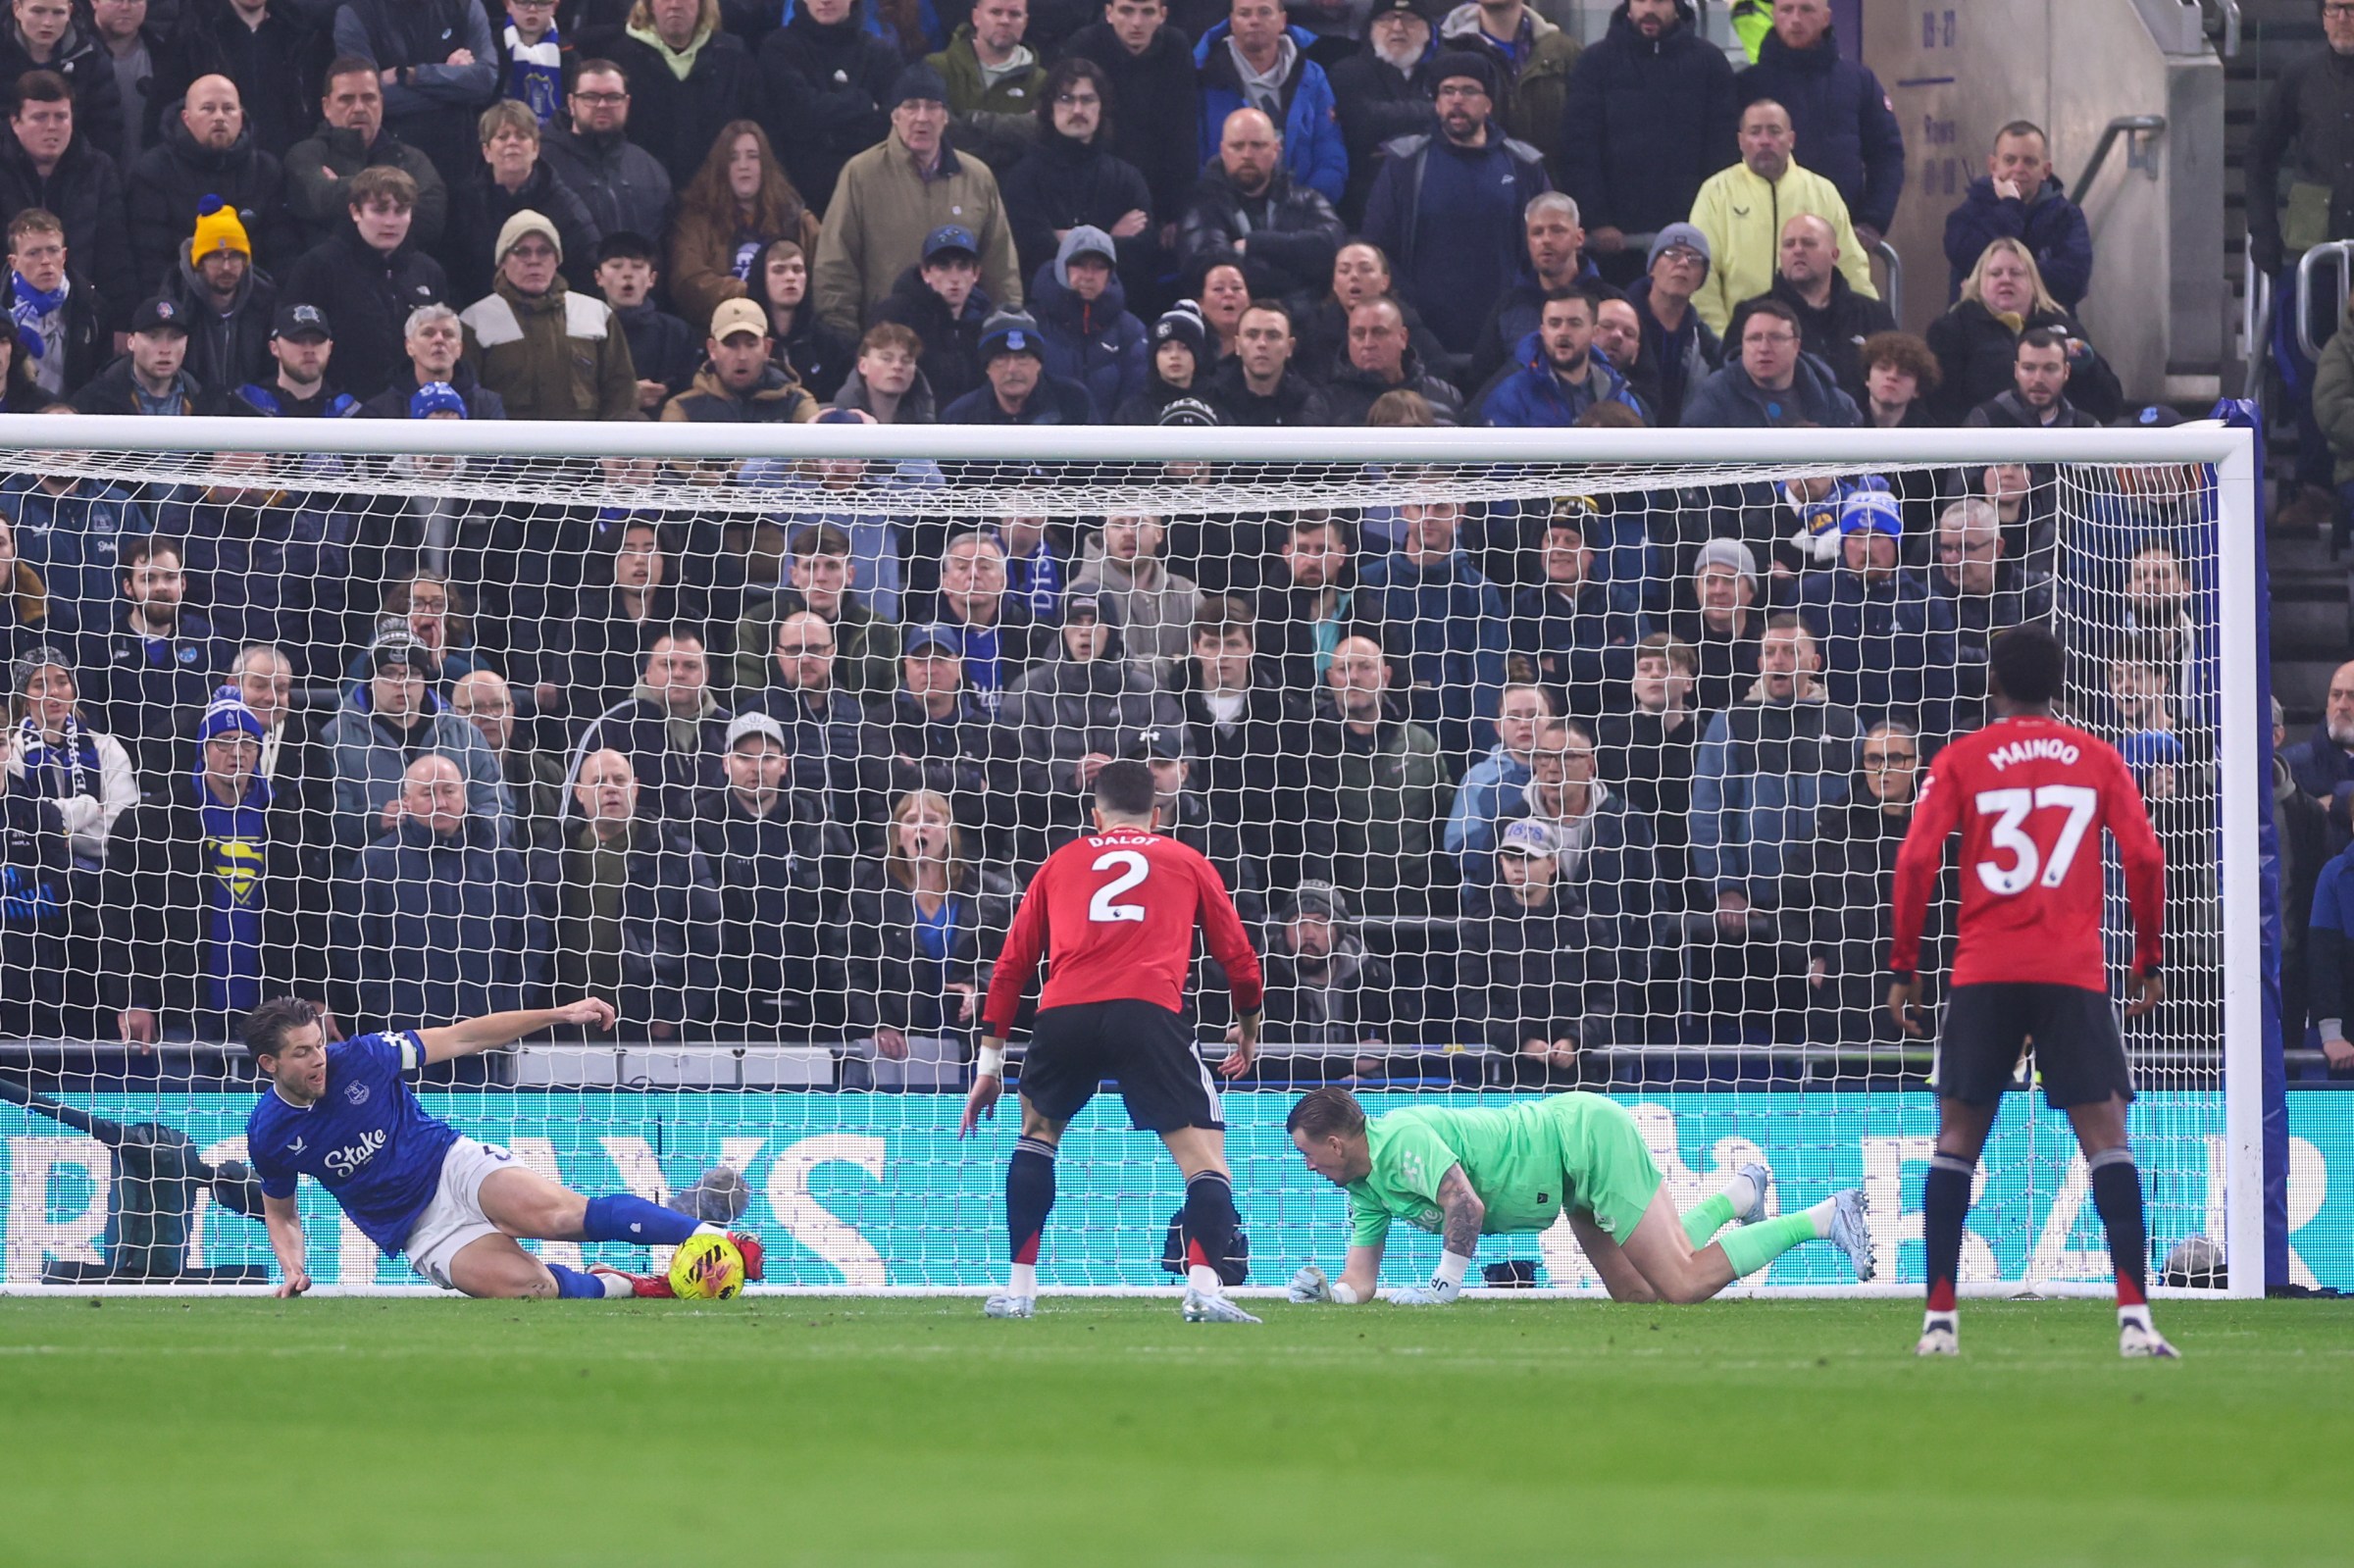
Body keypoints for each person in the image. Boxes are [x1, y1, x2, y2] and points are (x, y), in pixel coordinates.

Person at [1886, 625, 2174, 1358]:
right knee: (2107, 1138)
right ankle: (2136, 1318)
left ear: (1993, 683)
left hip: (1984, 969)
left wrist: (1904, 965)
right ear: (2061, 683)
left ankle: (1941, 1322)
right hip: (2071, 972)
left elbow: (1916, 861)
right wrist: (2148, 956)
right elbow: (2144, 855)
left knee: (1956, 1141)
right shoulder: (2098, 757)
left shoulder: (1962, 758)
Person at [962, 759, 1266, 1323]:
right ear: (1157, 813)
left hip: (1064, 1012)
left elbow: (1009, 969)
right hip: (1148, 1011)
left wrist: (989, 1064)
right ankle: (1203, 1289)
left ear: (1095, 813)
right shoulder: (1185, 859)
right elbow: (1241, 964)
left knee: (1037, 1136)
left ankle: (1020, 1291)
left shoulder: (1060, 863)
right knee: (1206, 1163)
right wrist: (1248, 1035)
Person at [240, 993, 766, 1298]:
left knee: (558, 1217)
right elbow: (280, 1212)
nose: (320, 1060)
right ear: (270, 1064)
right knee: (531, 1288)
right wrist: (292, 1266)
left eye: (320, 1046)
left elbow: (465, 1036)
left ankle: (716, 1235)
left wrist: (557, 1015)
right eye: (303, 1054)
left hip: (450, 1165)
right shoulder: (270, 1133)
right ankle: (629, 1285)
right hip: (418, 1229)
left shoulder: (364, 1056)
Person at [1282, 1084, 1871, 1305]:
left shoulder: (1402, 1139)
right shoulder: (1361, 1187)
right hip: (1567, 1181)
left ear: (1335, 1142)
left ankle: (1823, 1217)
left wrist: (1444, 1285)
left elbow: (1467, 1205)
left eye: (1308, 1153)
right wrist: (1330, 1294)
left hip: (1584, 1140)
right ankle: (1740, 1195)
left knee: (1683, 1284)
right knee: (1641, 1295)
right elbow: (1362, 1281)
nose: (1308, 1166)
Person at [100, 684, 308, 1044]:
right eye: (224, 741)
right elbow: (119, 918)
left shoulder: (283, 820)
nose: (237, 753)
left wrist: (314, 994)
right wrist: (131, 997)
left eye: (247, 742)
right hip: (180, 1008)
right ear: (203, 749)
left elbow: (309, 916)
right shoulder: (152, 821)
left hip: (270, 1014)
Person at [1359, 50, 1550, 360]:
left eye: (1469, 91)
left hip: (1505, 335)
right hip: (1424, 336)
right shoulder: (1405, 164)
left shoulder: (1523, 164)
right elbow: (1378, 248)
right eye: (1448, 91)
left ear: (1489, 104)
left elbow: (1547, 248)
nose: (1457, 100)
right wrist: (1410, 312)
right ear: (1436, 103)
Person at [813, 63, 1023, 337]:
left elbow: (1000, 266)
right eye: (911, 106)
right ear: (895, 115)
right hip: (887, 342)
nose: (922, 117)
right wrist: (842, 335)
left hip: (960, 341)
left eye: (932, 106)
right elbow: (836, 262)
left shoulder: (977, 177)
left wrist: (1007, 329)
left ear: (945, 116)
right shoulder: (861, 174)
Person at [333, 751, 536, 1032]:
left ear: (464, 794)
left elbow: (529, 939)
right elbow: (353, 947)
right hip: (406, 1037)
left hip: (486, 1033)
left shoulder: (502, 859)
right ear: (406, 802)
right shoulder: (376, 862)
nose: (441, 802)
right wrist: (382, 1009)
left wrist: (509, 1008)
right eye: (428, 793)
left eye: (449, 791)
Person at [530, 745, 720, 1041]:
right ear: (579, 793)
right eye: (599, 782)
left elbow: (707, 948)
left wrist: (673, 1021)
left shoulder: (676, 855)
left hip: (644, 1026)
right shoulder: (549, 856)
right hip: (562, 1025)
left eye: (620, 780)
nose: (610, 790)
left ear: (636, 789)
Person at [2249, 0, 2354, 531]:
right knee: (2305, 363)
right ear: (2321, 15)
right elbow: (2261, 157)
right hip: (2314, 253)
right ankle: (2316, 487)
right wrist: (2264, 234)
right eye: (2335, 7)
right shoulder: (2299, 76)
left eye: (2353, 8)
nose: (2343, 19)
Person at [0, 1075, 268, 1282]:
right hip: (144, 1272)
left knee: (58, 1276)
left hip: (140, 1273)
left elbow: (267, 1205)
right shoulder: (183, 1159)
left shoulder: (178, 1160)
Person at [690, 709, 853, 1040]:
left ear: (784, 764)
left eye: (767, 757)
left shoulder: (819, 826)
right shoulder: (696, 825)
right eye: (744, 757)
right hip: (725, 1009)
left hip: (814, 1006)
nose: (756, 767)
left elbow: (845, 910)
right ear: (725, 764)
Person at [1691, 614, 1859, 918]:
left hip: (1833, 904)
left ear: (1814, 663)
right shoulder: (1731, 721)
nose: (1778, 661)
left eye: (1790, 651)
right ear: (1759, 663)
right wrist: (1726, 888)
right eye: (1769, 652)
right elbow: (1708, 812)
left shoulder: (1846, 724)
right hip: (1756, 909)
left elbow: (1864, 813)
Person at [845, 786, 1014, 1087]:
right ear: (898, 836)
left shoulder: (990, 895)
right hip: (898, 1045)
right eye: (911, 819)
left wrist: (980, 986)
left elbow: (1011, 957)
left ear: (949, 832)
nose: (921, 826)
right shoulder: (868, 895)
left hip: (969, 1043)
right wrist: (877, 1023)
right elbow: (848, 966)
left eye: (932, 820)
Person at [1557, 0, 1735, 280]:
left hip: (1690, 242)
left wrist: (1706, 223)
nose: (1649, 9)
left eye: (1660, 1)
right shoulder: (1595, 63)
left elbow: (1722, 151)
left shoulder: (1710, 63)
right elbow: (1579, 149)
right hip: (1614, 247)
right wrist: (1597, 221)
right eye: (1641, 0)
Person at [1687, 97, 1874, 336]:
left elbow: (1851, 266)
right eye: (1755, 132)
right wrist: (1724, 342)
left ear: (1791, 139)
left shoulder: (1822, 191)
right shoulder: (1715, 192)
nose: (1765, 141)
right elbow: (1704, 277)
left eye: (1774, 131)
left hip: (1820, 339)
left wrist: (1869, 331)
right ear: (1741, 141)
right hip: (1745, 344)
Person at [322, 626, 507, 857]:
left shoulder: (465, 734)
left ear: (426, 679)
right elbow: (326, 820)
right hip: (377, 875)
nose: (401, 682)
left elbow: (498, 808)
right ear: (370, 681)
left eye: (412, 672)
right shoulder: (334, 738)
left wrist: (459, 826)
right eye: (389, 673)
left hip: (461, 872)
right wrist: (375, 822)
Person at [1734, 0, 1901, 246]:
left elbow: (1887, 154)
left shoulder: (1857, 81)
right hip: (1761, 237)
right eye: (1786, 10)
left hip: (1839, 238)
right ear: (1774, 15)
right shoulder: (1747, 85)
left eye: (1807, 9)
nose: (1796, 19)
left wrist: (1872, 222)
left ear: (1826, 18)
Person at [281, 162, 449, 402]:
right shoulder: (317, 267)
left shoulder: (428, 272)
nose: (390, 221)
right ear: (355, 212)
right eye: (379, 210)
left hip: (412, 411)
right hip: (340, 413)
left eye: (400, 211)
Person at [460, 208, 639, 421]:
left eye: (544, 251)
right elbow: (468, 398)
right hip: (508, 452)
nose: (534, 260)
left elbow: (621, 391)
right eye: (522, 251)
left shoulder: (597, 314)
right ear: (502, 261)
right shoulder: (475, 320)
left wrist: (611, 450)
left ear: (557, 260)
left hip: (585, 452)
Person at [1314, 633, 1448, 917]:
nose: (1353, 677)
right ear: (1329, 678)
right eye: (1343, 669)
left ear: (1385, 676)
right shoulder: (1311, 749)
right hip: (1345, 919)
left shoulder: (1420, 744)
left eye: (1365, 667)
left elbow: (1442, 825)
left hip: (1419, 917)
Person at [126, 73, 289, 299]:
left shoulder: (266, 170)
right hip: (179, 305)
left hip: (255, 305)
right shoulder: (152, 171)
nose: (220, 117)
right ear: (186, 117)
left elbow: (282, 254)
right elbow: (151, 259)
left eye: (228, 108)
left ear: (241, 117)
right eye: (208, 108)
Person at [1925, 237, 2120, 426]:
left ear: (2033, 281)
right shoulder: (1951, 329)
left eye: (2016, 273)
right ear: (1978, 282)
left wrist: (2087, 367)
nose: (2006, 280)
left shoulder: (2064, 327)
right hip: (1984, 445)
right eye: (1995, 273)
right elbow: (1939, 407)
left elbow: (2108, 407)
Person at [0, 72, 137, 332]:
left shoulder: (98, 169)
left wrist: (122, 322)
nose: (52, 127)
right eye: (40, 117)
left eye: (61, 117)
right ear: (15, 122)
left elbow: (115, 253)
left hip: (81, 318)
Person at [1177, 106, 1346, 307]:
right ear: (1222, 150)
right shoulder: (1201, 204)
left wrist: (1255, 244)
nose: (1247, 155)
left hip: (1304, 324)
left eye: (1258, 145)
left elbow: (1332, 247)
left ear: (1276, 149)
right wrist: (1296, 270)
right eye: (1237, 146)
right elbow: (1207, 266)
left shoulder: (1306, 199)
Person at [1063, 0, 1200, 243]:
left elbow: (1183, 135)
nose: (1136, 23)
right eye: (1126, 11)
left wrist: (1176, 214)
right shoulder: (1085, 45)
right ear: (1108, 13)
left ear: (1163, 15)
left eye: (1147, 12)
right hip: (1096, 183)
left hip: (1158, 181)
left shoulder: (1176, 47)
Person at [665, 119, 820, 331]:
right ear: (721, 166)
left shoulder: (797, 219)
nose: (744, 165)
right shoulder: (695, 220)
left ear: (765, 165)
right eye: (733, 158)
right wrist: (755, 292)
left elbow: (825, 277)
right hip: (719, 333)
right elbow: (688, 282)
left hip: (789, 332)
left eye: (753, 156)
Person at [283, 56, 448, 253]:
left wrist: (341, 190)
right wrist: (399, 196)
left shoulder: (411, 159)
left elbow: (430, 221)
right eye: (347, 99)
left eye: (368, 98)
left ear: (381, 102)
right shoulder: (305, 154)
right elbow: (318, 200)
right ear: (326, 107)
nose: (359, 108)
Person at [1192, 0, 1347, 206]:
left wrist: (1304, 206)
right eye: (1244, 14)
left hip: (1301, 211)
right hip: (1223, 211)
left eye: (1264, 12)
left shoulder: (1312, 76)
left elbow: (1329, 154)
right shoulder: (1204, 76)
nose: (1254, 21)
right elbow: (1192, 158)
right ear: (1231, 22)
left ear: (1282, 21)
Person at [330, 0, 497, 189]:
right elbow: (366, 99)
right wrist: (452, 85)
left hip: (460, 163)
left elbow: (485, 80)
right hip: (388, 165)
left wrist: (409, 75)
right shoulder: (355, 13)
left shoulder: (465, 5)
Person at [445, 98, 598, 305]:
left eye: (521, 136)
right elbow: (453, 270)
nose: (512, 143)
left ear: (536, 148)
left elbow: (587, 270)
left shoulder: (566, 206)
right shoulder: (463, 203)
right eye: (502, 137)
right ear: (486, 152)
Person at [754, 0, 898, 213]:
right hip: (800, 203)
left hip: (871, 197)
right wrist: (865, 103)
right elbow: (800, 115)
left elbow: (892, 123)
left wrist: (825, 125)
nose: (825, 1)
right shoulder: (778, 48)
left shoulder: (881, 54)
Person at [605, 0, 763, 189]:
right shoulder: (619, 61)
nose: (674, 4)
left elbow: (759, 131)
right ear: (649, 5)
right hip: (643, 198)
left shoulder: (735, 60)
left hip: (717, 200)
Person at [155, 0, 333, 164]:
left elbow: (321, 106)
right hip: (213, 172)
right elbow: (166, 111)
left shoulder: (303, 33)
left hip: (290, 171)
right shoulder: (194, 33)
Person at [1942, 120, 2090, 312]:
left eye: (2029, 161)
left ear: (2045, 171)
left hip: (2046, 329)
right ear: (1993, 166)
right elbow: (1968, 257)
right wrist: (2011, 207)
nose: (2019, 169)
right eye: (2010, 160)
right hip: (1978, 330)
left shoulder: (2067, 216)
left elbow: (2074, 281)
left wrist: (1997, 273)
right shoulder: (1967, 215)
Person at [1749, 211, 1889, 403]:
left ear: (1834, 255)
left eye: (1809, 243)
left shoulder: (1874, 316)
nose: (1798, 250)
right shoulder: (1752, 316)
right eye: (1789, 244)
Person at [534, 57, 672, 244]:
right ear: (572, 103)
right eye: (590, 97)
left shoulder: (648, 167)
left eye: (613, 97)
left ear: (627, 103)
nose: (602, 105)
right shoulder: (542, 164)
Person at [1326, 0, 1438, 228]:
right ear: (1371, 28)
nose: (1397, 28)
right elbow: (1364, 124)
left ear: (1428, 31)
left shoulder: (1442, 74)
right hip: (1365, 205)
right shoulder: (1347, 71)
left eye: (1409, 19)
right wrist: (1434, 110)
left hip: (1433, 201)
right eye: (1387, 19)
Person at [1434, 0, 1578, 167]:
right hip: (1468, 180)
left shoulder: (1563, 52)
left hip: (1547, 184)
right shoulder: (1444, 48)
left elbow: (1583, 135)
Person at [1680, 295, 1856, 429]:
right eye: (1754, 338)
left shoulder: (1830, 399)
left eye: (1776, 338)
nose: (1764, 348)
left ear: (1796, 346)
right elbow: (1690, 464)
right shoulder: (1715, 395)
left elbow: (1857, 469)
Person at [1482, 284, 1644, 427]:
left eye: (1574, 323)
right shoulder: (1511, 395)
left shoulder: (1619, 397)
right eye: (1554, 323)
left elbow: (1638, 458)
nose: (1563, 332)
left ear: (1593, 333)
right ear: (1542, 331)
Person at [870, 222, 994, 409]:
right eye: (943, 266)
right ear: (925, 272)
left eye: (963, 266)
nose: (954, 277)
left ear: (976, 274)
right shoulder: (896, 314)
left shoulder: (988, 321)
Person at [1027, 225, 1146, 417]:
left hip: (1111, 444)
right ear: (1061, 265)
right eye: (1080, 264)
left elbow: (1135, 401)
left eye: (1099, 267)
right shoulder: (1030, 325)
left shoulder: (1130, 331)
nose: (1089, 276)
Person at [163, 199, 278, 394]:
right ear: (199, 262)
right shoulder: (177, 300)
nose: (226, 267)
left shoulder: (264, 300)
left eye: (234, 256)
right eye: (216, 256)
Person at [923, 0, 1044, 176]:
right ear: (976, 17)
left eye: (1014, 14)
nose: (1005, 20)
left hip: (1014, 187)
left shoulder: (1042, 80)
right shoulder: (937, 67)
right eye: (995, 12)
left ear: (1025, 22)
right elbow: (941, 130)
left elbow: (1037, 134)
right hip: (948, 182)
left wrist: (974, 119)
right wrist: (1010, 135)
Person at [70, 293, 243, 414]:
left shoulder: (208, 403)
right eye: (153, 337)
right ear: (131, 342)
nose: (165, 349)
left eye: (175, 338)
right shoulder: (93, 402)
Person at [1070, 514, 1198, 679]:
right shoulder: (1079, 594)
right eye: (1118, 524)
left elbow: (1202, 664)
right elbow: (1088, 669)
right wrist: (1168, 666)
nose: (1129, 532)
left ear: (1159, 533)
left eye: (1139, 524)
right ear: (1106, 535)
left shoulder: (1187, 594)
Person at [657, 294, 819, 423]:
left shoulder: (797, 403)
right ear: (712, 348)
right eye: (730, 344)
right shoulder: (682, 410)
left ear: (767, 348)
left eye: (751, 344)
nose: (742, 356)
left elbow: (817, 460)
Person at [0, 1, 127, 161]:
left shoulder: (89, 55)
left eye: (58, 13)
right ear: (17, 9)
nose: (47, 22)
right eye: (38, 11)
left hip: (75, 171)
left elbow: (105, 126)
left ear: (70, 11)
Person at [3, 207, 105, 402]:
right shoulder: (3, 308)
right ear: (14, 261)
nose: (46, 261)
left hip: (74, 419)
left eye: (53, 250)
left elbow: (100, 377)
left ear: (64, 256)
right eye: (33, 253)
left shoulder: (93, 308)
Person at [591, 229, 693, 411]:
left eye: (638, 266)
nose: (627, 274)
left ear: (652, 278)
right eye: (616, 266)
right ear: (598, 277)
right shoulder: (583, 330)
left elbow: (689, 393)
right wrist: (626, 395)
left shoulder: (676, 333)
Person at [940, 306, 1096, 423]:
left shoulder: (1074, 402)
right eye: (1001, 358)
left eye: (1023, 357)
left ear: (1039, 363)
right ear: (987, 367)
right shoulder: (959, 418)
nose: (1012, 369)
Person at [1325, 292, 1460, 424]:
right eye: (1358, 334)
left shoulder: (1444, 395)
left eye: (1379, 333)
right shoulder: (1325, 404)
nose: (1367, 344)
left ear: (1403, 337)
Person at [357, 300, 504, 419]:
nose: (439, 340)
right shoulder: (379, 411)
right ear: (409, 346)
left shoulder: (487, 406)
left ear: (459, 348)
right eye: (428, 333)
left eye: (448, 334)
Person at [756, 238, 854, 401]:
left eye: (797, 269)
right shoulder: (748, 342)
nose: (790, 277)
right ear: (761, 277)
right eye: (778, 270)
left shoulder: (830, 345)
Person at [1207, 296, 1325, 424]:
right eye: (1252, 335)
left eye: (1273, 336)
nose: (1262, 344)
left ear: (1289, 347)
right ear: (1237, 345)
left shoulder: (1310, 404)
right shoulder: (1211, 399)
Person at [1961, 326, 2099, 432]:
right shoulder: (1986, 421)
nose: (2038, 379)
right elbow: (1961, 470)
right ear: (2016, 371)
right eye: (2029, 368)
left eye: (2050, 368)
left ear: (2066, 372)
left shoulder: (2086, 428)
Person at [831, 319, 933, 422]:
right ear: (863, 366)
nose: (897, 366)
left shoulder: (925, 420)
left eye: (906, 360)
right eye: (886, 359)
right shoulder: (832, 421)